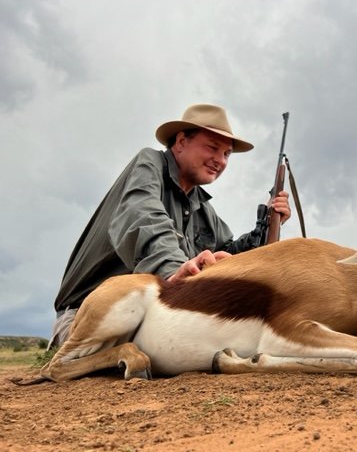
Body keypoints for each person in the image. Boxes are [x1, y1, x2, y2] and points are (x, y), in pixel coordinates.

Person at [48, 104, 291, 348]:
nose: (220, 160)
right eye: (212, 148)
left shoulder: (202, 206)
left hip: (154, 311)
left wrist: (266, 227)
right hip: (85, 317)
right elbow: (145, 219)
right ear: (181, 142)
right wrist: (176, 275)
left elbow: (228, 252)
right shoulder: (149, 164)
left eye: (227, 154)